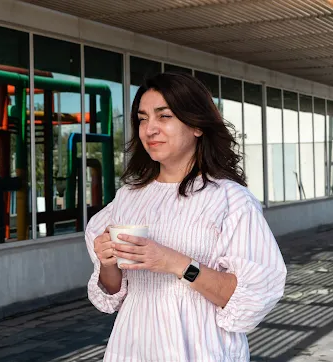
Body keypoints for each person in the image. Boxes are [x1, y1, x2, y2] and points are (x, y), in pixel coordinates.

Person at [85, 72, 287, 362]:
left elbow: (249, 297)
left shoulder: (230, 200)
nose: (149, 129)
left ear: (196, 125)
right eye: (142, 119)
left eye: (163, 116)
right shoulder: (127, 198)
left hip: (201, 350)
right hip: (131, 348)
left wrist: (175, 263)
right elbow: (112, 294)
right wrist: (108, 263)